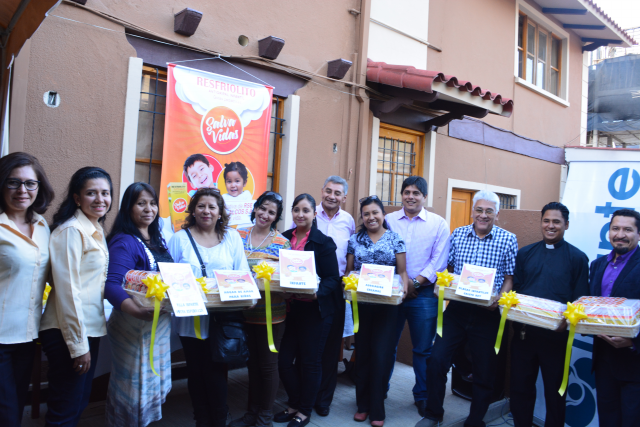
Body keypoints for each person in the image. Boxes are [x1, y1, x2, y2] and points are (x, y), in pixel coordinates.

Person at [417, 190, 518, 427]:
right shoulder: (458, 234)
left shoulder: (508, 239)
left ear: (497, 214)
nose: (483, 215)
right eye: (479, 210)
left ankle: (475, 420)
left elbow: (509, 278)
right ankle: (433, 414)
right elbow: (449, 270)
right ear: (473, 211)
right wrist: (443, 286)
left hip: (487, 314)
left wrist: (500, 300)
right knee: (437, 360)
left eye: (489, 211)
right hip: (457, 311)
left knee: (484, 371)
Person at [168, 188, 249, 427]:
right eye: (201, 206)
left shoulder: (232, 237)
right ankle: (201, 419)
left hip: (222, 318)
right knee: (195, 370)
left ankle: (219, 419)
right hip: (190, 318)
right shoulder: (179, 239)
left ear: (220, 212)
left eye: (212, 207)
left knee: (216, 369)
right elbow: (169, 275)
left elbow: (242, 273)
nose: (206, 211)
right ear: (193, 210)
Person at [40, 167, 113, 426]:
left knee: (78, 402)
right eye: (91, 193)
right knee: (65, 409)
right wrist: (79, 346)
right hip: (66, 332)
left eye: (105, 193)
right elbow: (68, 292)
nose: (100, 199)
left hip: (87, 328)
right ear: (77, 198)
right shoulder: (71, 231)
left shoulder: (95, 229)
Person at [510, 202, 589, 427]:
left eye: (556, 222)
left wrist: (567, 321)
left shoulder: (578, 258)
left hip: (556, 338)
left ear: (566, 225)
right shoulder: (525, 253)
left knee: (555, 392)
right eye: (546, 221)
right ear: (541, 222)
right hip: (524, 335)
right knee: (520, 388)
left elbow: (580, 299)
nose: (550, 226)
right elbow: (516, 290)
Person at [104, 182, 174, 426]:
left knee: (148, 385)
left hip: (156, 325)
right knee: (132, 389)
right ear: (128, 207)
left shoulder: (156, 237)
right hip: (134, 326)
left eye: (153, 203)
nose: (148, 209)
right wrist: (137, 311)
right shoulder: (124, 241)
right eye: (141, 203)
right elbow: (111, 285)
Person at [385, 176, 450, 416]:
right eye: (407, 192)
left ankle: (422, 395)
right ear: (401, 195)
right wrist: (402, 285)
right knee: (386, 346)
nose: (410, 197)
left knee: (423, 350)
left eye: (416, 193)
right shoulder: (389, 220)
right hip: (391, 293)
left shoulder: (438, 224)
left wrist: (414, 283)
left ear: (424, 197)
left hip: (423, 295)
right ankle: (379, 390)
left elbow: (439, 260)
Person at [275, 194, 341, 427]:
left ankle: (304, 411)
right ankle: (294, 403)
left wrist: (316, 294)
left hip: (316, 311)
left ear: (314, 213)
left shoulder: (324, 242)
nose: (300, 214)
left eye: (305, 210)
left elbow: (333, 278)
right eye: (296, 210)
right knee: (284, 361)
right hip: (291, 309)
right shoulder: (283, 239)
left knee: (310, 363)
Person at [0, 153, 54, 427]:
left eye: (30, 183)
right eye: (13, 182)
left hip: (28, 335)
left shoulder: (42, 225)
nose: (22, 190)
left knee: (17, 405)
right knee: (7, 414)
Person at [346, 196, 408, 427]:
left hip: (387, 308)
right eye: (366, 214)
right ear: (362, 217)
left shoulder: (395, 239)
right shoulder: (355, 240)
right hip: (361, 306)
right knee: (362, 354)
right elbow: (350, 271)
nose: (371, 217)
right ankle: (362, 405)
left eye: (375, 213)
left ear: (383, 215)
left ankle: (377, 408)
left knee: (381, 356)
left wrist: (403, 290)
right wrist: (347, 284)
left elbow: (402, 272)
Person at [231, 191, 291, 427]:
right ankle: (251, 413)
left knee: (267, 366)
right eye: (263, 208)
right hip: (243, 313)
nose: (265, 214)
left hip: (271, 316)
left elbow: (287, 283)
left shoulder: (282, 243)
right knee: (252, 365)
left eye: (271, 212)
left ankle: (264, 418)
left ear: (276, 217)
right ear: (255, 208)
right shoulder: (238, 235)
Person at [589, 209, 640, 427]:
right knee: (607, 420)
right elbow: (591, 305)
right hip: (604, 360)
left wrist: (633, 341)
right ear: (608, 232)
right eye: (615, 228)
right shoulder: (598, 265)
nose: (620, 234)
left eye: (627, 229)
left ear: (638, 234)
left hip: (634, 364)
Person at [313, 175, 356, 416]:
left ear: (344, 197)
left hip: (337, 288)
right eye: (328, 191)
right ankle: (306, 394)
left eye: (337, 193)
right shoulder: (310, 214)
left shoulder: (348, 221)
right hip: (310, 287)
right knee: (310, 345)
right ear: (322, 191)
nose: (332, 196)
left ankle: (323, 399)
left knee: (331, 347)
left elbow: (351, 254)